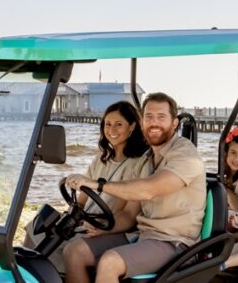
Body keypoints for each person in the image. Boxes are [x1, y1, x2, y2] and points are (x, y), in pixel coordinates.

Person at [60, 92, 206, 283]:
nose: (154, 123)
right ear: (141, 122)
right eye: (148, 116)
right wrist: (101, 229)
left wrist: (97, 185)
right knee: (75, 251)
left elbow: (148, 189)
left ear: (174, 123)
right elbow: (128, 215)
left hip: (174, 242)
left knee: (110, 262)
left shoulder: (184, 154)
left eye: (161, 117)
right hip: (143, 236)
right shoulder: (147, 159)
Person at [23, 101, 147, 270]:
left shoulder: (138, 164)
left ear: (132, 127)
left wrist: (102, 228)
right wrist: (70, 215)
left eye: (119, 124)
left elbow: (125, 214)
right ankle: (32, 280)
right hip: (85, 220)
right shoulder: (102, 158)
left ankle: (48, 280)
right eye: (108, 124)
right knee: (38, 226)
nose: (112, 130)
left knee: (65, 247)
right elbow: (82, 200)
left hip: (108, 226)